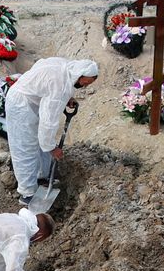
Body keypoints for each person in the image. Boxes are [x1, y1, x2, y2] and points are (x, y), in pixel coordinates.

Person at [6, 57, 99, 205]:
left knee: (41, 141)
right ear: (79, 75)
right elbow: (48, 123)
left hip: (32, 99)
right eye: (85, 82)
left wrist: (68, 96)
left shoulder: (66, 68)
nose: (85, 86)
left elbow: (41, 66)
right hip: (20, 104)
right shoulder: (60, 88)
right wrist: (52, 148)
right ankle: (27, 193)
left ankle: (42, 177)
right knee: (25, 147)